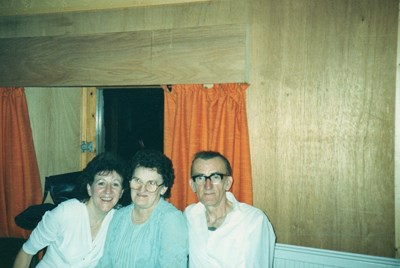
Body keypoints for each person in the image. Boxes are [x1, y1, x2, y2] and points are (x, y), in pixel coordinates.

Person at [13, 152, 127, 268]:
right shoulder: (65, 213)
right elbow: (26, 252)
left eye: (115, 184)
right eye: (101, 183)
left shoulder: (119, 221)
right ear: (89, 188)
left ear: (121, 193)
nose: (108, 191)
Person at [97, 149, 188, 267]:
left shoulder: (171, 220)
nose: (141, 189)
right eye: (137, 180)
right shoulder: (119, 216)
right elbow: (105, 263)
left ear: (163, 188)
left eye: (151, 183)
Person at [184, 151, 276, 268]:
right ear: (192, 185)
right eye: (200, 178)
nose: (208, 185)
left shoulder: (254, 221)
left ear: (227, 183)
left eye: (216, 177)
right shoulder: (190, 215)